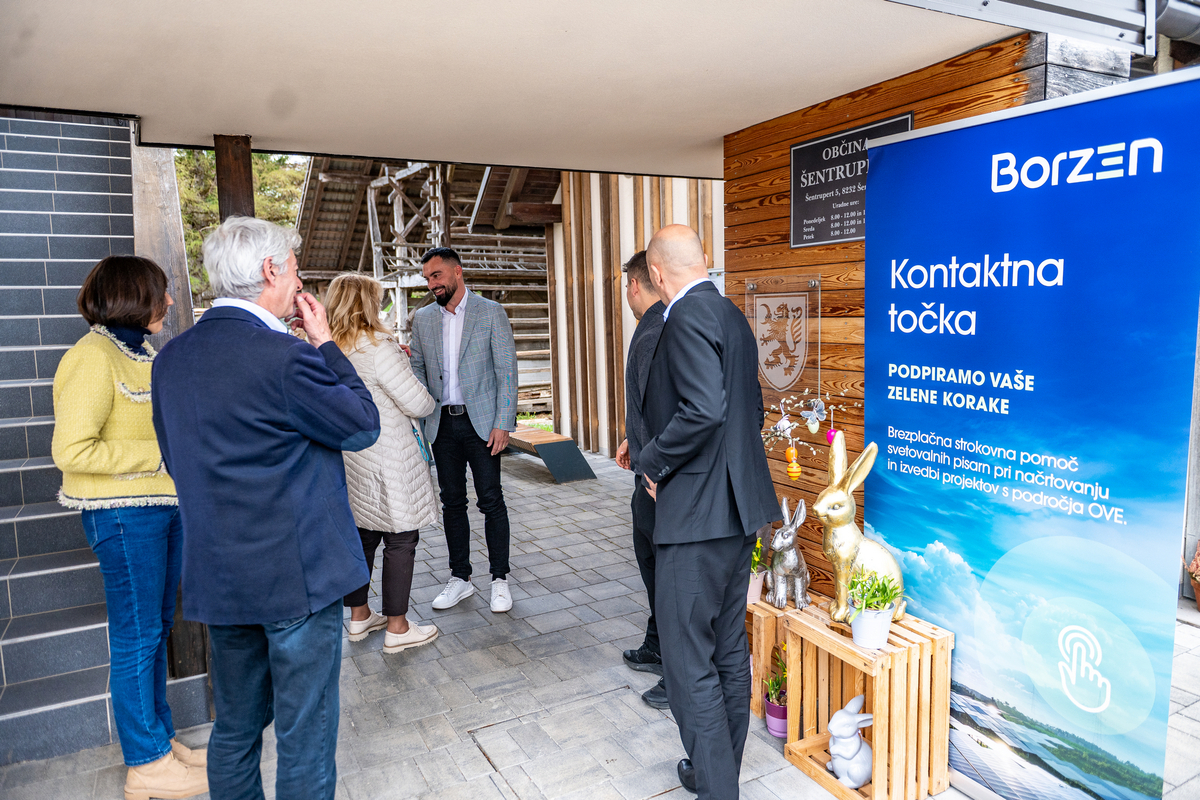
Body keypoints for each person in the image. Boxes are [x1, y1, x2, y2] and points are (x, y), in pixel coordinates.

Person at [151, 216, 380, 800]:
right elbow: (361, 425)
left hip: (221, 577)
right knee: (305, 737)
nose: (299, 282)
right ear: (271, 270)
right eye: (295, 269)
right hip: (296, 579)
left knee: (234, 728)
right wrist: (325, 344)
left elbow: (177, 460)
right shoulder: (284, 358)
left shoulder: (170, 359)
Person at [52, 256, 207, 800]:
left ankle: (159, 742)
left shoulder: (140, 352)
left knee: (156, 628)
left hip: (160, 509)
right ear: (132, 296)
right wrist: (159, 455)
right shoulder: (92, 356)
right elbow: (71, 450)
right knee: (138, 637)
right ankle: (146, 764)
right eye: (161, 293)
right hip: (122, 515)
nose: (170, 302)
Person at [638, 225, 782, 798]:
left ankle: (718, 788)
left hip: (697, 518)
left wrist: (653, 462)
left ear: (656, 273)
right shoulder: (731, 316)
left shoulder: (685, 317)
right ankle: (711, 772)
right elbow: (752, 412)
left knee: (686, 662)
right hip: (737, 513)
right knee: (726, 653)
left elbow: (703, 411)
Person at [324, 273, 440, 653]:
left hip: (354, 457)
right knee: (401, 537)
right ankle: (398, 628)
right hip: (390, 456)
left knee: (364, 535)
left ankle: (359, 616)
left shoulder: (328, 350)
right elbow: (419, 403)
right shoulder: (378, 348)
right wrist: (406, 368)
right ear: (365, 304)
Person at [408, 246, 518, 614]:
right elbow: (418, 369)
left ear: (457, 271)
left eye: (436, 275)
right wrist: (422, 415)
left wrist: (503, 422)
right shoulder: (423, 319)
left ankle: (499, 580)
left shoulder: (491, 312)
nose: (431, 284)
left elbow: (506, 371)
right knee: (452, 502)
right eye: (427, 278)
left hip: (482, 423)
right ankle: (460, 578)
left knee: (491, 500)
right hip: (441, 425)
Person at [614, 250, 669, 709]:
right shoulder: (656, 323)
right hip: (649, 463)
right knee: (652, 562)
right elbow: (649, 402)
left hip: (657, 478)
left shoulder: (654, 328)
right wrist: (631, 438)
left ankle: (675, 668)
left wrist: (653, 469)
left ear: (634, 285)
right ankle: (657, 643)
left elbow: (669, 409)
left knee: (660, 568)